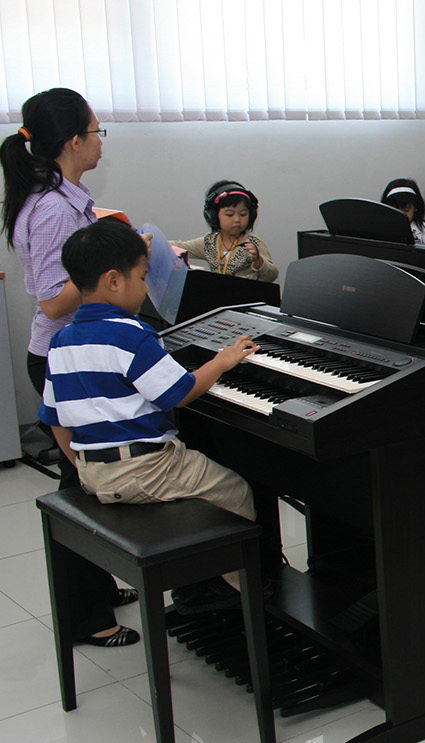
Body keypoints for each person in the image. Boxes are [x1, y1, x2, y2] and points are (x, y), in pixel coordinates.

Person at [40, 220, 264, 616]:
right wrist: (223, 360)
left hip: (93, 472)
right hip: (147, 469)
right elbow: (180, 391)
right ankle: (235, 591)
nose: (146, 289)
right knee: (237, 490)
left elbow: (54, 417)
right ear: (113, 281)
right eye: (142, 278)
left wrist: (81, 464)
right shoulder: (132, 334)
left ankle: (204, 577)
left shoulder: (60, 341)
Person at [1, 88, 136, 645]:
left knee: (85, 475)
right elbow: (55, 301)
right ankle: (88, 618)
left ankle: (96, 589)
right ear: (74, 141)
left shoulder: (60, 196)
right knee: (80, 482)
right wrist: (113, 266)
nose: (101, 142)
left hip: (67, 354)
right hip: (63, 357)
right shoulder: (55, 208)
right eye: (97, 131)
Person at [169, 180, 277, 281]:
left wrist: (259, 261)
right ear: (214, 216)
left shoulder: (254, 243)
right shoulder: (209, 243)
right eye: (229, 214)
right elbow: (176, 246)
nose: (237, 219)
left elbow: (272, 275)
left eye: (243, 214)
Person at [382, 178, 425, 245]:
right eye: (396, 210)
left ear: (415, 208)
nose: (401, 214)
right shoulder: (384, 227)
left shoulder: (422, 227)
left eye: (406, 210)